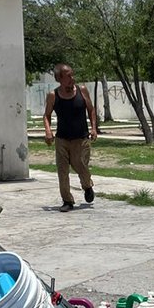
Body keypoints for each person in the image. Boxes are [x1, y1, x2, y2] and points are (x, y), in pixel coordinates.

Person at [43, 63, 98, 212]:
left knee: (81, 165)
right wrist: (48, 131)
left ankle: (87, 185)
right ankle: (67, 200)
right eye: (68, 76)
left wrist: (93, 128)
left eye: (72, 75)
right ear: (59, 78)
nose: (72, 78)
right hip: (62, 139)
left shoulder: (82, 90)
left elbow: (91, 110)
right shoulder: (53, 96)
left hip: (81, 138)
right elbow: (46, 116)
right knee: (62, 171)